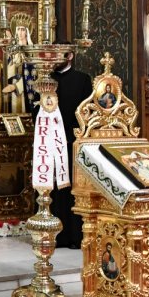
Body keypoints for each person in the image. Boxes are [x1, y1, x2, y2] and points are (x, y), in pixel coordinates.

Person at [49, 50, 93, 249]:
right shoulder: (47, 80)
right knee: (56, 189)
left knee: (74, 189)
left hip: (73, 143)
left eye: (61, 55)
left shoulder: (82, 79)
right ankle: (56, 235)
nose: (56, 59)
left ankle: (75, 236)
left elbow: (88, 111)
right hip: (51, 142)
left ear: (70, 56)